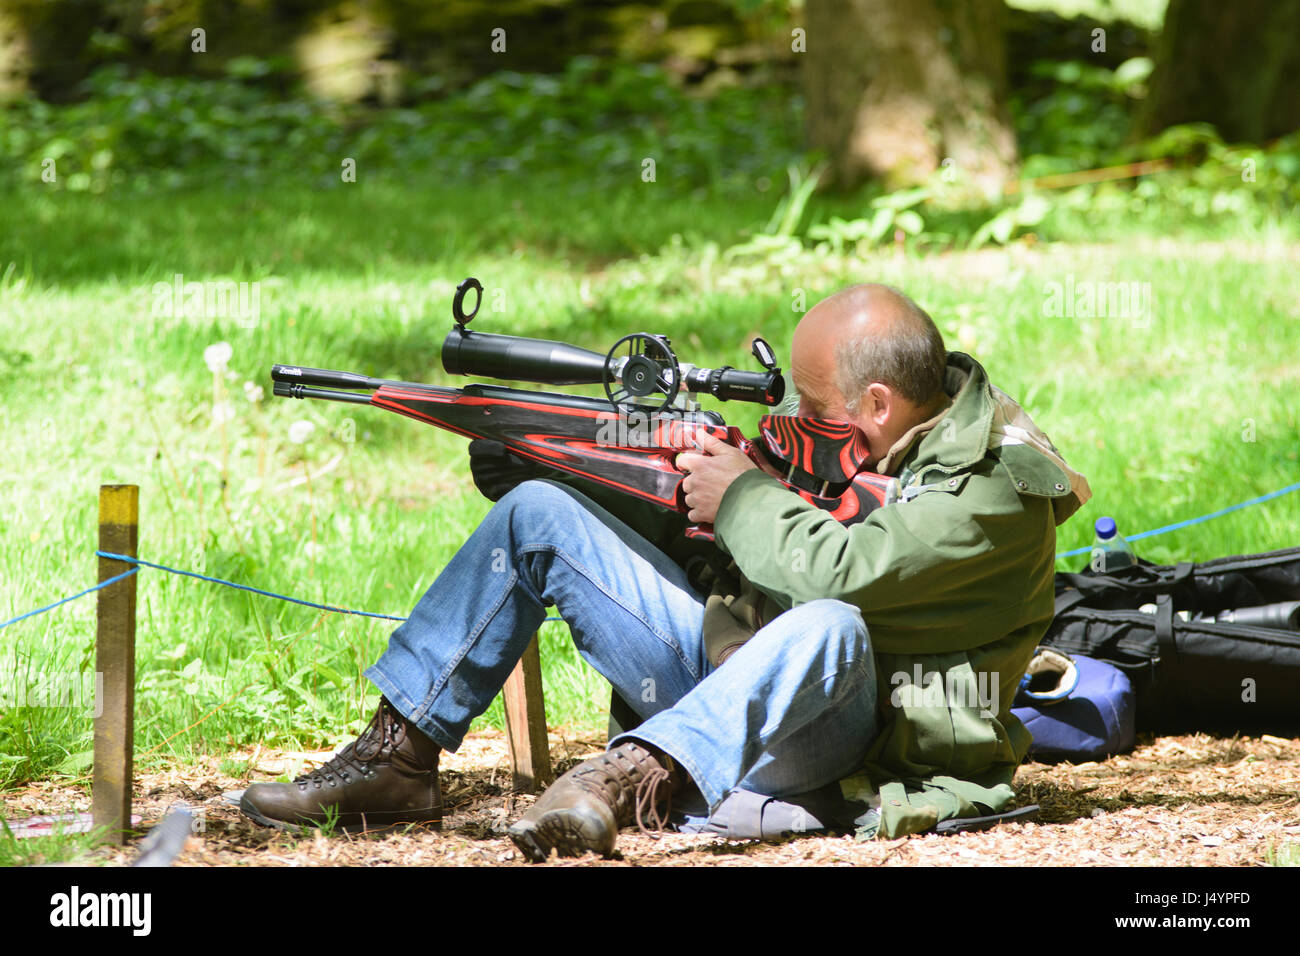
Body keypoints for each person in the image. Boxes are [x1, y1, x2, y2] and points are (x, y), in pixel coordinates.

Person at [239, 283, 1090, 860]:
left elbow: (838, 577)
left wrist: (743, 493)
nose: (794, 419)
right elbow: (734, 556)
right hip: (728, 685)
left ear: (876, 405)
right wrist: (580, 476)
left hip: (851, 745)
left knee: (829, 625)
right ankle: (398, 759)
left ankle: (626, 782)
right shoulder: (859, 446)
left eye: (812, 404)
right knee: (537, 516)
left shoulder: (993, 490)